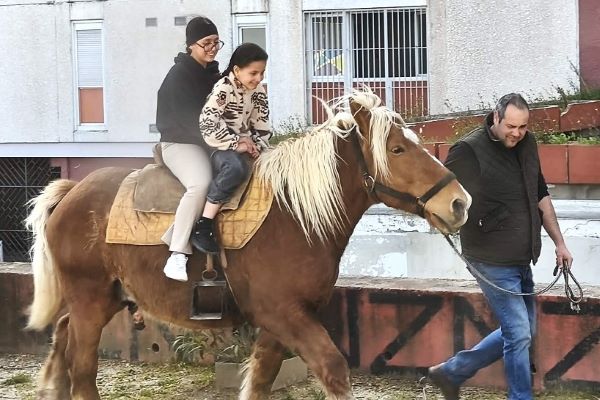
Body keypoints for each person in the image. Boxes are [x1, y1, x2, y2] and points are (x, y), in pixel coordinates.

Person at [428, 93, 574, 400]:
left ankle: (451, 372)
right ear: (496, 117)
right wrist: (442, 221)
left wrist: (560, 243)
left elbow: (540, 194)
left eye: (522, 127)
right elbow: (441, 196)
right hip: (488, 258)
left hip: (521, 255)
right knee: (519, 333)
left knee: (524, 330)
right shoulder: (467, 150)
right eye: (511, 126)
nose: (517, 133)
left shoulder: (528, 144)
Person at [156, 16, 224, 282]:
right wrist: (225, 141)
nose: (212, 48)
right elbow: (191, 123)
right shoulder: (179, 77)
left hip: (207, 142)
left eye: (216, 42)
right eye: (206, 42)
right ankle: (177, 254)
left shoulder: (212, 74)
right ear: (190, 45)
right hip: (180, 143)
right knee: (200, 183)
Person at [192, 42, 271, 254]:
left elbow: (262, 124)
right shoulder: (223, 89)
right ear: (237, 70)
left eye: (262, 73)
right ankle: (204, 224)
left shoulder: (258, 91)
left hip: (246, 144)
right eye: (253, 73)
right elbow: (207, 124)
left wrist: (257, 146)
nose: (259, 78)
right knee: (236, 168)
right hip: (218, 146)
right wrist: (236, 144)